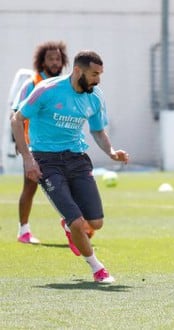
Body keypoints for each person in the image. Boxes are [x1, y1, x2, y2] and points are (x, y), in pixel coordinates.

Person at [11, 50, 128, 283]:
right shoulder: (47, 90)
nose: (98, 80)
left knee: (95, 223)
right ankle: (98, 268)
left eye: (100, 74)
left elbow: (97, 130)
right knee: (77, 222)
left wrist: (112, 152)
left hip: (76, 158)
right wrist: (28, 159)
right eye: (94, 74)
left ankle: (68, 224)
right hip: (46, 160)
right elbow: (17, 119)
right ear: (77, 71)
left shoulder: (95, 96)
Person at [11, 41, 69, 244]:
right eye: (51, 59)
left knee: (67, 184)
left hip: (59, 146)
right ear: (42, 62)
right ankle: (23, 231)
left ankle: (73, 223)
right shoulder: (32, 84)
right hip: (34, 146)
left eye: (58, 59)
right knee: (30, 187)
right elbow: (16, 113)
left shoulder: (64, 84)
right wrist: (18, 142)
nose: (55, 62)